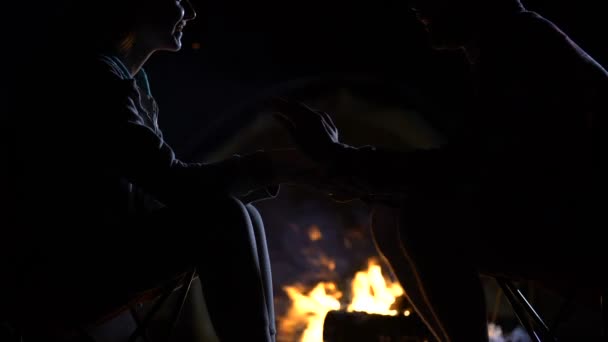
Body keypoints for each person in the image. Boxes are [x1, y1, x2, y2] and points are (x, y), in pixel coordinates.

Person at [273, 0, 607, 341]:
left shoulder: (523, 45)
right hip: (555, 220)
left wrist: (343, 160)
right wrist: (350, 170)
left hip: (584, 236)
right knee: (391, 216)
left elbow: (465, 171)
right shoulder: (508, 42)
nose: (417, 6)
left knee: (424, 216)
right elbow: (473, 170)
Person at [4, 0, 332, 341]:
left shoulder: (127, 81)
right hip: (65, 272)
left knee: (241, 214)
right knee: (225, 218)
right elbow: (172, 183)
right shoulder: (90, 80)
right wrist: (280, 165)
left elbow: (164, 190)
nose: (189, 12)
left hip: (96, 255)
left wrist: (279, 168)